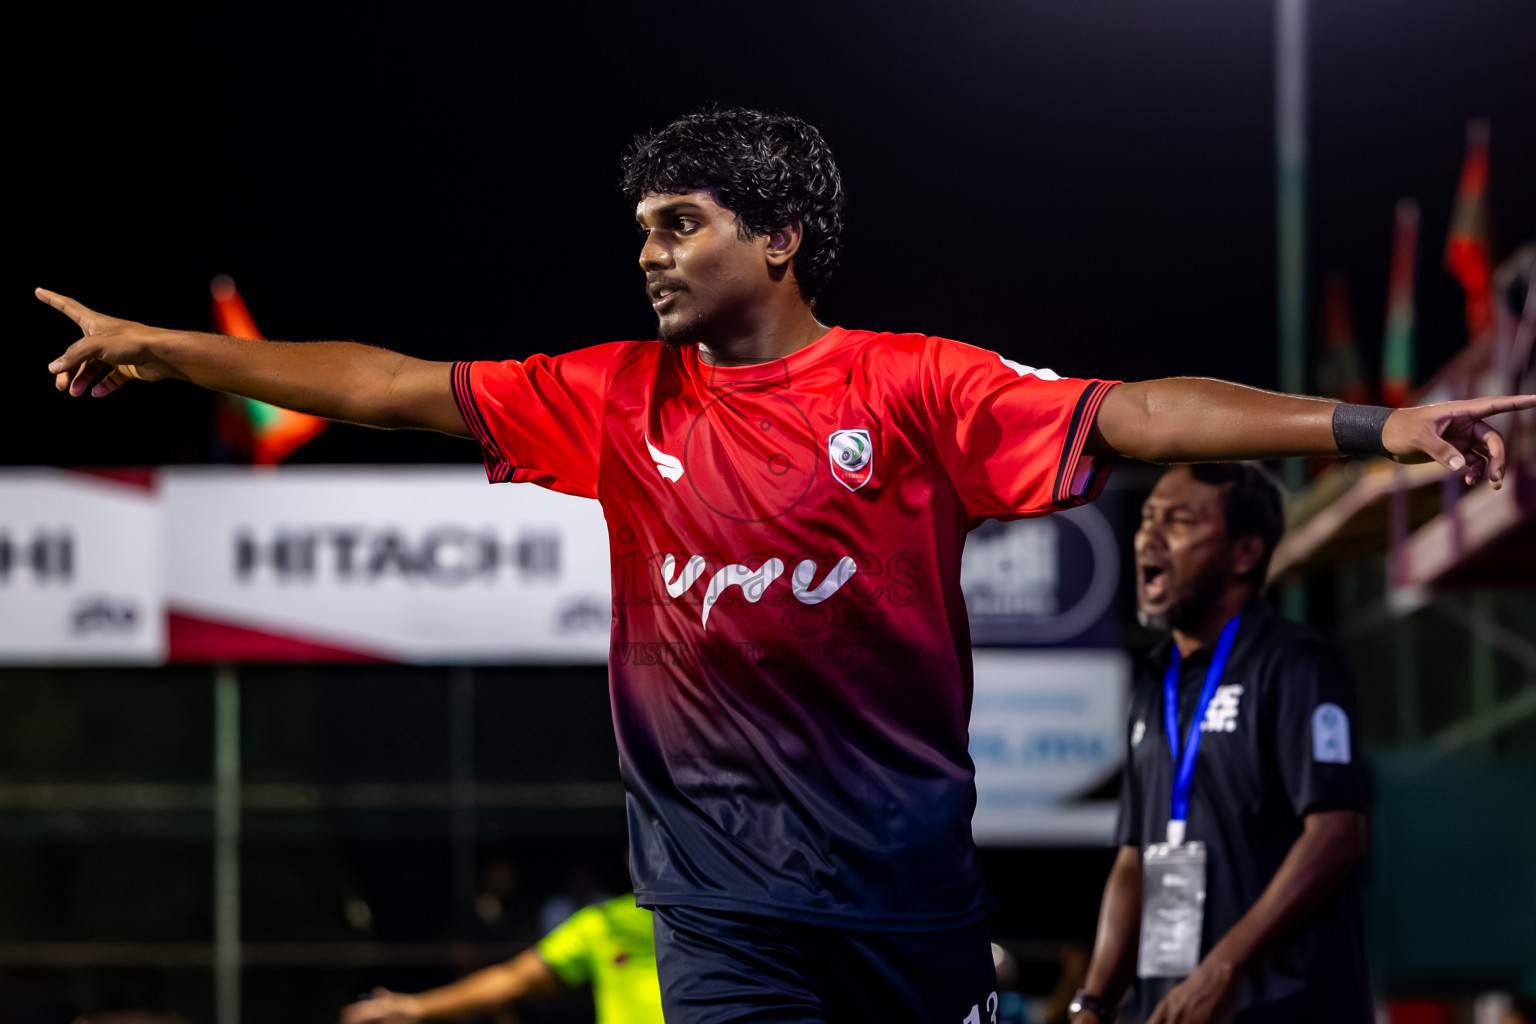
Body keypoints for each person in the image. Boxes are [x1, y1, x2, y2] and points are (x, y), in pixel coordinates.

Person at [38, 107, 1532, 1023]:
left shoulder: (912, 388)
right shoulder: (606, 394)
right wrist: (166, 348)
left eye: (682, 224)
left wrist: (1377, 424)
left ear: (785, 240)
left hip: (911, 908)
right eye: (641, 229)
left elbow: (1139, 412)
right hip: (720, 910)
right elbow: (379, 382)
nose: (651, 253)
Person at [1069, 464, 1372, 1024]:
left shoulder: (1296, 666)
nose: (1149, 536)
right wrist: (1093, 1000)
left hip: (1283, 1007)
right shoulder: (1152, 684)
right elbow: (1134, 857)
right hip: (1171, 1008)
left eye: (1179, 520)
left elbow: (1337, 834)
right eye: (1147, 519)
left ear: (1245, 552)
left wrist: (1222, 967)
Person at [341, 892, 662, 1024]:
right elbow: (512, 980)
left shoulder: (712, 918)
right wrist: (414, 1006)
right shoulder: (607, 923)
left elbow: (512, 981)